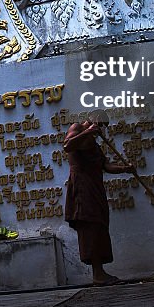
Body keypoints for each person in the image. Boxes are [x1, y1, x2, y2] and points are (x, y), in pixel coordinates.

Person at [63, 110, 134, 286]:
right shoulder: (77, 128)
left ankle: (100, 272)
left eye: (103, 127)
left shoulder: (94, 144)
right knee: (91, 226)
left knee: (100, 226)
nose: (102, 129)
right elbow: (67, 146)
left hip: (96, 188)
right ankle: (97, 274)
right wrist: (88, 132)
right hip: (82, 188)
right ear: (92, 122)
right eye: (100, 125)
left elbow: (106, 166)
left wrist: (125, 169)